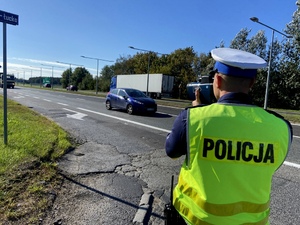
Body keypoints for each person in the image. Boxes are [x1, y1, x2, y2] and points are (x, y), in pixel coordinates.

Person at [165, 48, 293, 225]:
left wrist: (199, 109)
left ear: (217, 80)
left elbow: (171, 151)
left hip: (194, 221)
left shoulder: (192, 118)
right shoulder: (281, 126)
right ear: (252, 83)